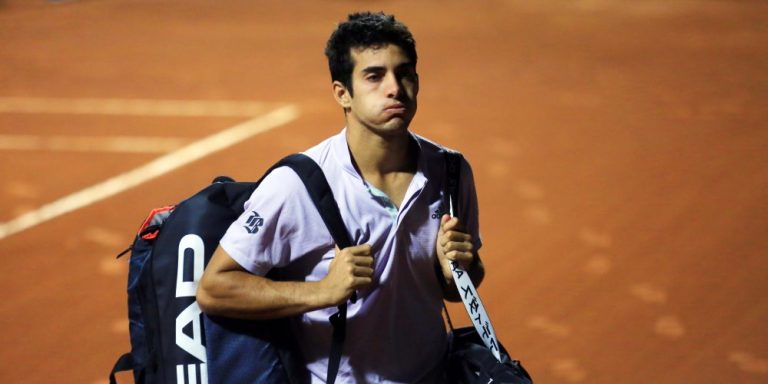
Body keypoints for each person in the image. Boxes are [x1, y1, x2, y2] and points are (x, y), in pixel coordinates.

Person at [197, 11, 485, 383]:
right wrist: (320, 292)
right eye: (374, 76)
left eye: (405, 73)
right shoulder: (297, 184)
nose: (394, 87)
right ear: (342, 94)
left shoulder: (450, 171)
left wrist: (460, 269)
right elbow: (215, 288)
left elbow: (454, 291)